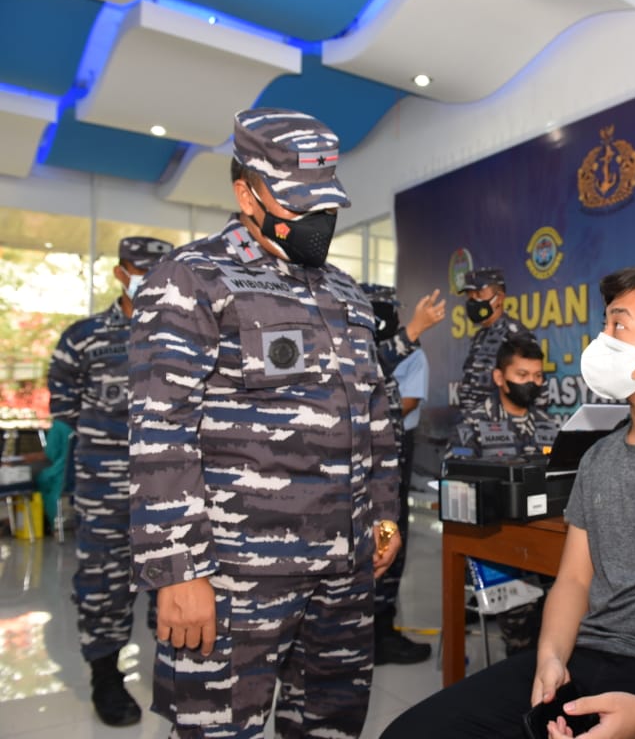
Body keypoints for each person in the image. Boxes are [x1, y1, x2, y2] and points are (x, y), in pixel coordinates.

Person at [384, 266, 635, 739]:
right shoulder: (597, 457)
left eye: (618, 325)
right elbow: (574, 579)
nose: (601, 340)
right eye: (604, 324)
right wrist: (550, 659)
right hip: (588, 656)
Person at [127, 108, 401, 738]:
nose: (317, 219)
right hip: (235, 575)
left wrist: (384, 513)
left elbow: (376, 414)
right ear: (246, 193)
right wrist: (179, 571)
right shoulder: (193, 280)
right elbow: (160, 432)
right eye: (298, 202)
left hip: (344, 570)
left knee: (331, 725)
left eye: (325, 202)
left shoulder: (347, 294)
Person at [47, 235, 173, 726]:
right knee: (104, 582)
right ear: (121, 272)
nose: (150, 279)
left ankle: (172, 673)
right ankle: (106, 677)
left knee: (174, 579)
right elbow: (65, 408)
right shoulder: (84, 337)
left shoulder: (189, 333)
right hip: (105, 488)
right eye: (141, 270)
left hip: (173, 488)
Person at [447, 336, 560, 657]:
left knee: (573, 599)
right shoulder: (473, 423)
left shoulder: (548, 424)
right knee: (525, 624)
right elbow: (455, 485)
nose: (531, 383)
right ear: (499, 377)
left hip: (542, 537)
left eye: (537, 376)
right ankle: (524, 672)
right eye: (522, 375)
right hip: (490, 543)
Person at [363, 282, 445, 664]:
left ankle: (382, 627)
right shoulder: (351, 347)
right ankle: (365, 630)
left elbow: (405, 401)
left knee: (390, 534)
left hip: (394, 460)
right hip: (360, 464)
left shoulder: (409, 352)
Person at [456, 266, 537, 414]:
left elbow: (530, 390)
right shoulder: (479, 336)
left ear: (499, 298)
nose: (472, 300)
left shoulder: (516, 335)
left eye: (478, 294)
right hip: (474, 421)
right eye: (469, 295)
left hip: (502, 425)